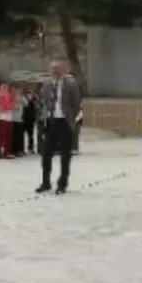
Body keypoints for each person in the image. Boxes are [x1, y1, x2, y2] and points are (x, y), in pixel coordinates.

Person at [36, 59, 81, 194]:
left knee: (65, 155)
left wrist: (71, 118)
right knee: (46, 154)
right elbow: (42, 100)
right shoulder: (47, 83)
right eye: (53, 68)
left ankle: (62, 183)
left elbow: (76, 103)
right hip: (51, 120)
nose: (55, 71)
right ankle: (45, 182)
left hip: (64, 121)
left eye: (57, 68)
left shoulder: (70, 84)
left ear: (64, 69)